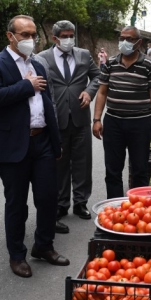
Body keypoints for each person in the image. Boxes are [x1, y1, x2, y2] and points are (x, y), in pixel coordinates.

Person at [0, 15, 69, 278]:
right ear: (10, 36)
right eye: (24, 35)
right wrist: (26, 86)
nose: (30, 39)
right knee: (17, 203)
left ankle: (44, 246)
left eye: (33, 35)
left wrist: (56, 142)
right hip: (13, 145)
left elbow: (48, 105)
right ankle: (17, 255)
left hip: (42, 141)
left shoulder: (38, 64)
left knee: (47, 198)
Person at [34, 20, 100, 232]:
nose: (69, 39)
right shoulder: (42, 58)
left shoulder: (83, 55)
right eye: (64, 36)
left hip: (80, 118)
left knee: (82, 162)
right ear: (55, 38)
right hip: (56, 119)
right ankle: (61, 204)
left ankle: (81, 202)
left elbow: (97, 76)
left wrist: (89, 92)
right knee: (59, 164)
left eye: (72, 35)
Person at [92, 26, 151, 199]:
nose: (124, 42)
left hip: (140, 123)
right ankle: (116, 208)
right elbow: (102, 92)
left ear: (138, 42)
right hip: (113, 123)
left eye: (129, 39)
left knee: (140, 169)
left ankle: (139, 208)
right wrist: (96, 119)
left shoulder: (148, 64)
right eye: (121, 38)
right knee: (112, 170)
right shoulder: (111, 63)